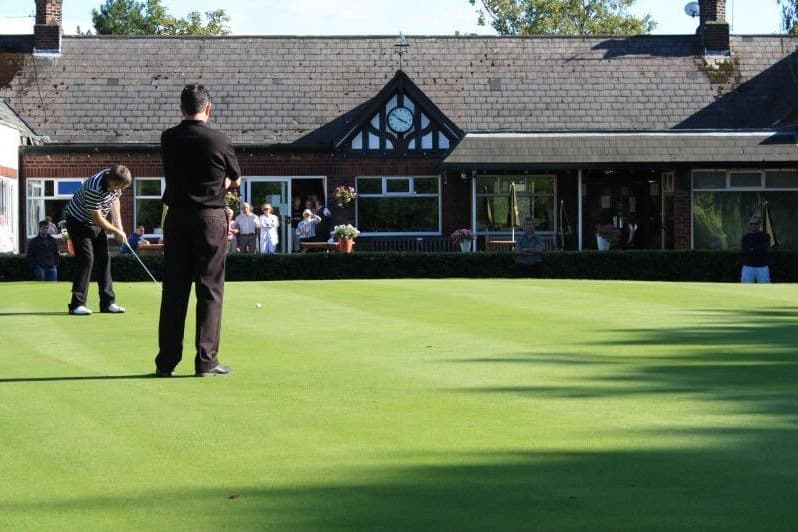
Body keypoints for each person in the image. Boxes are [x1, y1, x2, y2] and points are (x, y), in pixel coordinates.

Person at [156, 83, 241, 378]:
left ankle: (166, 362)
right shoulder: (219, 139)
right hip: (210, 218)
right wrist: (221, 184)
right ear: (208, 108)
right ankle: (206, 361)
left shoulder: (168, 138)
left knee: (174, 290)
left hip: (177, 217)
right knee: (210, 289)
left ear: (182, 108)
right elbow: (234, 177)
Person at [64, 165, 131, 315]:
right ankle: (76, 305)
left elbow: (115, 200)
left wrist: (118, 225)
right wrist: (116, 231)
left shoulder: (116, 180)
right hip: (77, 221)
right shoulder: (94, 187)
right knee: (86, 258)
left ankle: (108, 303)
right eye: (120, 187)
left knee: (104, 258)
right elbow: (98, 218)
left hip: (95, 222)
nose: (121, 190)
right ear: (112, 183)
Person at [741, 214, 771, 284]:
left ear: (760, 224)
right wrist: (756, 248)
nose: (753, 225)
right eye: (751, 224)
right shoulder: (745, 237)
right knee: (746, 288)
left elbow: (764, 248)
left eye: (755, 223)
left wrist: (752, 249)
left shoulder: (765, 236)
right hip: (748, 267)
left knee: (764, 288)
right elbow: (745, 250)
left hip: (762, 267)